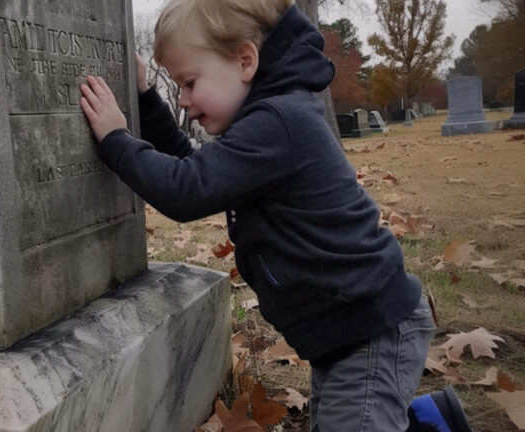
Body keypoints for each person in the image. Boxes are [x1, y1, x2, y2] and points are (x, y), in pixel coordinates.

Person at [79, 0, 436, 430]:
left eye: (189, 83)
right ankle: (436, 419)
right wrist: (145, 97)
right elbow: (193, 167)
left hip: (370, 327)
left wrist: (116, 139)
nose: (184, 100)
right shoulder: (268, 117)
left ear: (245, 61)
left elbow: (186, 189)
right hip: (345, 329)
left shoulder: (278, 122)